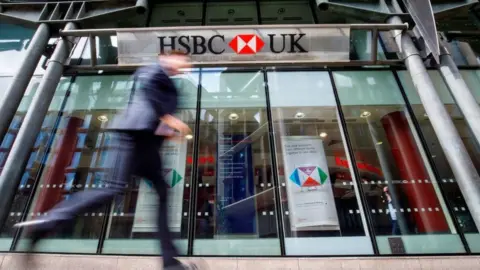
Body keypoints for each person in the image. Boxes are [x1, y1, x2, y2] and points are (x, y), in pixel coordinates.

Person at [14, 51, 201, 270]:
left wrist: (169, 130)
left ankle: (170, 262)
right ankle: (47, 222)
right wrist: (169, 119)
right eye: (183, 59)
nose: (185, 65)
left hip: (148, 144)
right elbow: (146, 83)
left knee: (161, 191)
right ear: (167, 57)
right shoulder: (154, 71)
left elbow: (157, 115)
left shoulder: (169, 83)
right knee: (113, 189)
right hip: (132, 137)